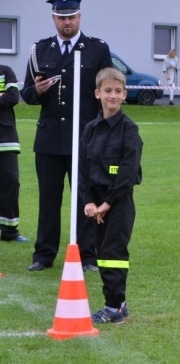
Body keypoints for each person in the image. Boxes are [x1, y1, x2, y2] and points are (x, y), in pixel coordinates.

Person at [21, 0, 113, 272]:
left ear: (80, 17)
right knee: (48, 200)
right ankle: (44, 254)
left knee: (85, 198)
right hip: (49, 140)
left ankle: (86, 255)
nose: (67, 22)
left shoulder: (97, 49)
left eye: (72, 17)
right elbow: (26, 94)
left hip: (85, 139)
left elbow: (107, 92)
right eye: (62, 18)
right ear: (53, 19)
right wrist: (36, 91)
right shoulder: (39, 50)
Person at [79, 68, 143, 324]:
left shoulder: (129, 130)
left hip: (118, 203)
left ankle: (114, 306)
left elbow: (127, 174)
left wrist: (107, 204)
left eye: (118, 91)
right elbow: (82, 171)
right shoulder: (91, 129)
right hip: (96, 205)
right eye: (108, 91)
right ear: (98, 93)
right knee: (101, 252)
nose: (113, 96)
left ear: (125, 94)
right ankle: (119, 303)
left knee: (113, 252)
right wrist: (89, 202)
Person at [0, 65, 29, 243]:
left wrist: (4, 96)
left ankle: (10, 231)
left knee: (11, 182)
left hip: (6, 140)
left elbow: (12, 97)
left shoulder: (6, 71)